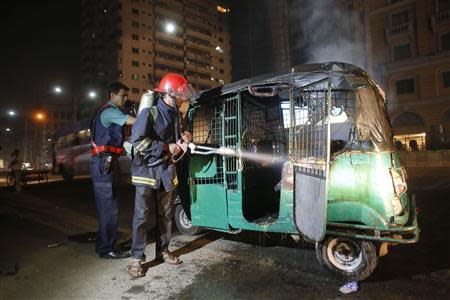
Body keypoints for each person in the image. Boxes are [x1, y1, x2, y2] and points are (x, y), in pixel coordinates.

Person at [128, 73, 194, 278]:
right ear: (169, 94)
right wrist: (166, 146)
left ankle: (163, 251)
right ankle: (137, 258)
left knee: (165, 215)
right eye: (180, 95)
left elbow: (176, 141)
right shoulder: (150, 112)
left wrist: (184, 137)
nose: (183, 99)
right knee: (142, 216)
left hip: (165, 171)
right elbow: (138, 142)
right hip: (146, 171)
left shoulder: (175, 115)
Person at [90, 82, 136, 259]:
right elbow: (133, 121)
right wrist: (149, 116)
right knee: (108, 208)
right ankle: (106, 248)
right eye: (123, 95)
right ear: (112, 95)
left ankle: (105, 244)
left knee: (110, 206)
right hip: (103, 163)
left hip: (109, 162)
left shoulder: (112, 112)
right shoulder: (109, 112)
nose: (126, 99)